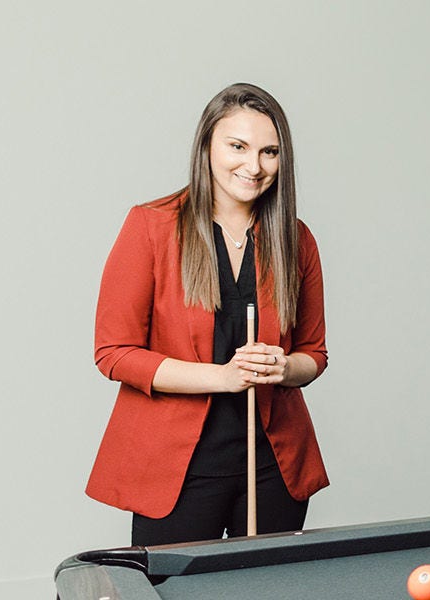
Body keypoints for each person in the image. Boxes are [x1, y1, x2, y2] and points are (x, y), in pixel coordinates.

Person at [91, 83, 329, 546]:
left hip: (272, 467)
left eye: (269, 152)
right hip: (178, 469)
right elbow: (114, 353)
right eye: (237, 146)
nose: (253, 166)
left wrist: (283, 368)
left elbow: (314, 354)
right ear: (207, 146)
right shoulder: (151, 226)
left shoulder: (296, 239)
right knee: (173, 585)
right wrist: (222, 377)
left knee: (266, 585)